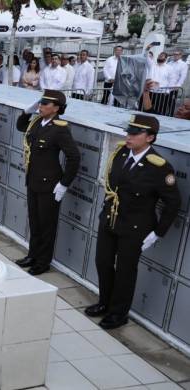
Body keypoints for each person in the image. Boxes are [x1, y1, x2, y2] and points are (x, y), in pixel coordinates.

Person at [84, 115, 180, 329]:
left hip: (135, 228)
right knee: (103, 263)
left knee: (125, 271)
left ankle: (119, 314)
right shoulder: (120, 154)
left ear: (150, 138)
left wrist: (157, 233)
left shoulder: (159, 167)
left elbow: (173, 203)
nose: (129, 136)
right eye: (129, 131)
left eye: (135, 133)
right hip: (110, 220)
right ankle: (105, 303)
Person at [15, 90, 80, 275]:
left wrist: (64, 184)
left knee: (47, 225)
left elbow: (74, 157)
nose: (41, 106)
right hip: (33, 180)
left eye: (45, 104)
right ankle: (32, 255)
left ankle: (43, 262)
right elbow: (21, 127)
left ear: (56, 108)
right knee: (34, 222)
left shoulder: (60, 129)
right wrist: (27, 112)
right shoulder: (37, 122)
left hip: (50, 184)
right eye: (40, 103)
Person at [145, 47, 174, 115]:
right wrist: (148, 47)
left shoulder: (169, 68)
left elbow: (171, 80)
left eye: (162, 56)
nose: (160, 57)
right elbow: (146, 55)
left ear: (165, 58)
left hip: (161, 93)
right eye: (159, 55)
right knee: (146, 109)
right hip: (150, 91)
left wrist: (167, 91)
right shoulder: (152, 64)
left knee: (160, 110)